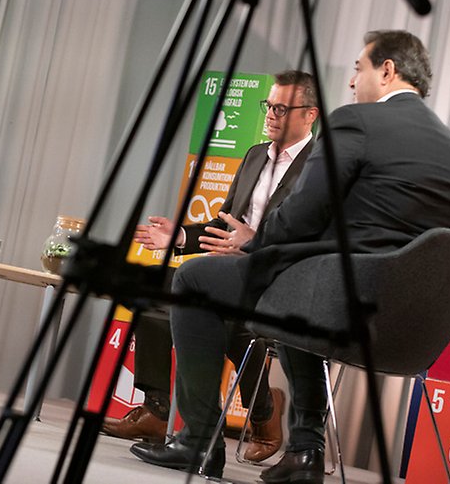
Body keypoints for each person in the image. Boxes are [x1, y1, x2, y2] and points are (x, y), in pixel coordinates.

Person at [129, 30, 450, 482]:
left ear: (387, 70)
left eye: (359, 68)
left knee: (195, 279)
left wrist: (250, 242)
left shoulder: (357, 123)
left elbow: (301, 214)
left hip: (338, 302)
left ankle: (199, 441)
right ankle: (304, 452)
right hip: (410, 326)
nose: (352, 82)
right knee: (298, 285)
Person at [103, 71, 320, 464]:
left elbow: (310, 239)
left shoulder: (320, 167)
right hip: (225, 273)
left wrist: (252, 243)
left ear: (310, 115)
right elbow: (226, 223)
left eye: (282, 108)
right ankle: (158, 408)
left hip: (276, 282)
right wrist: (181, 238)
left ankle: (246, 419)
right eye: (268, 106)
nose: (270, 114)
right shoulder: (255, 155)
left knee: (213, 311)